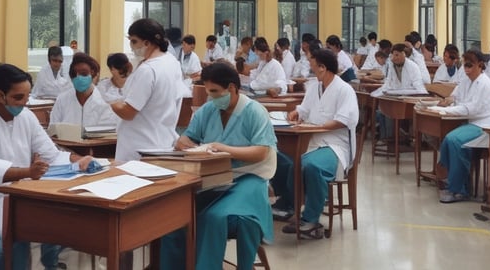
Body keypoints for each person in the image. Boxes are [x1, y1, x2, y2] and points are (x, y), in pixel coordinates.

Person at [0, 64, 93, 270]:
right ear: (0, 96)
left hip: (21, 196)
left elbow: (52, 155)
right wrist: (28, 172)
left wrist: (78, 160)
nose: (25, 102)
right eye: (19, 97)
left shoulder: (26, 116)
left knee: (62, 216)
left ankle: (52, 265)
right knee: (16, 233)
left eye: (27, 96)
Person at [161, 63, 277, 270]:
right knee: (172, 217)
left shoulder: (254, 112)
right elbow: (186, 138)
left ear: (232, 88)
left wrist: (223, 148)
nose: (211, 97)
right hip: (213, 178)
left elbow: (261, 151)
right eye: (208, 92)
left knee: (215, 217)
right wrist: (186, 143)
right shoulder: (208, 109)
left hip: (249, 177)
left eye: (215, 92)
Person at [275, 49, 359, 238]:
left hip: (336, 146)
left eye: (313, 64)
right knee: (286, 161)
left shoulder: (344, 90)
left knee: (311, 166)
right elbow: (304, 109)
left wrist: (319, 127)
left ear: (322, 67)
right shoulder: (314, 87)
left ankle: (311, 220)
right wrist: (296, 113)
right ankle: (291, 206)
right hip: (312, 142)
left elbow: (344, 120)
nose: (310, 67)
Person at [111, 18, 183, 162]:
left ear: (147, 42)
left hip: (140, 146)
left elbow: (128, 112)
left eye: (134, 41)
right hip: (162, 141)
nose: (131, 46)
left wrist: (111, 102)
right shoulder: (171, 62)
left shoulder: (148, 70)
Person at [435, 49, 490, 203]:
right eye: (465, 66)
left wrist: (447, 110)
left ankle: (460, 190)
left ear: (480, 65)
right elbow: (456, 95)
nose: (466, 69)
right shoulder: (466, 80)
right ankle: (451, 179)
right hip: (469, 122)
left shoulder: (484, 83)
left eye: (470, 66)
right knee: (448, 138)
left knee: (455, 141)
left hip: (482, 126)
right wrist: (448, 100)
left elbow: (472, 108)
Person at [370, 44, 428, 141]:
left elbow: (418, 86)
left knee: (392, 111)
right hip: (397, 97)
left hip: (411, 99)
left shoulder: (413, 67)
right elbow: (388, 83)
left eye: (397, 55)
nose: (394, 58)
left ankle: (394, 139)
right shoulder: (392, 66)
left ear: (403, 54)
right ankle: (388, 138)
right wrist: (378, 93)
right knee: (384, 109)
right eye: (392, 55)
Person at [49, 53, 118, 129]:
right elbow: (53, 129)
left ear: (92, 73)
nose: (79, 78)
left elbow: (105, 134)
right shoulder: (62, 100)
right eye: (74, 75)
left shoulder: (104, 102)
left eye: (84, 73)